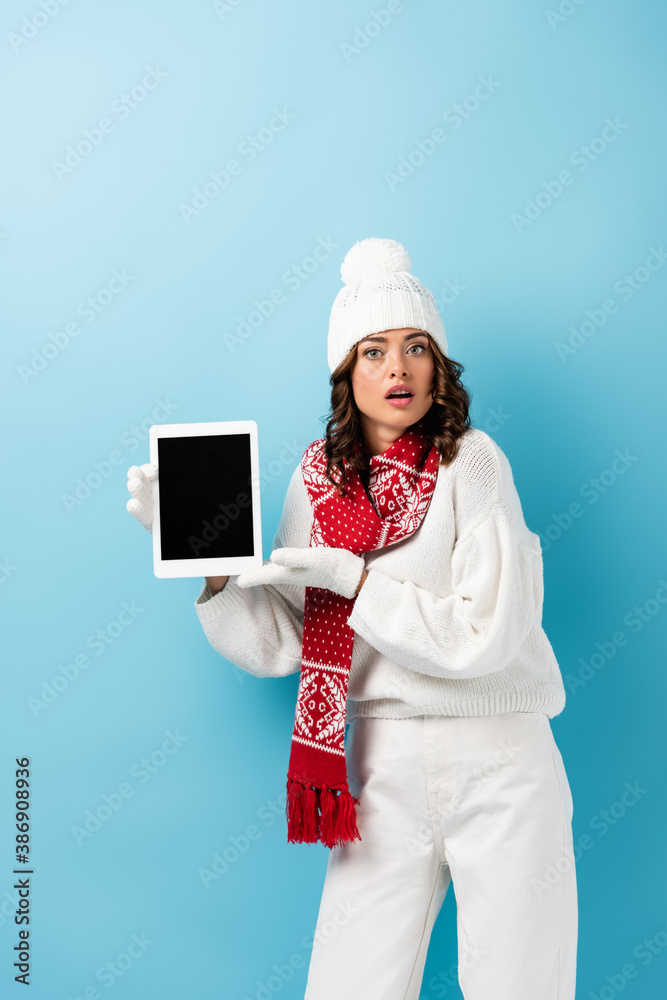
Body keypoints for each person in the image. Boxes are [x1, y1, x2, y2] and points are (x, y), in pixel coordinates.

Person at [126, 237, 577, 1000]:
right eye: (372, 352)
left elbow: (485, 635)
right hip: (379, 765)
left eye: (414, 348)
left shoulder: (474, 463)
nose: (396, 369)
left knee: (519, 984)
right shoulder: (315, 481)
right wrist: (206, 565)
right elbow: (286, 644)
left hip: (499, 759)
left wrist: (354, 582)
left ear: (439, 365)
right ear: (346, 371)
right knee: (348, 985)